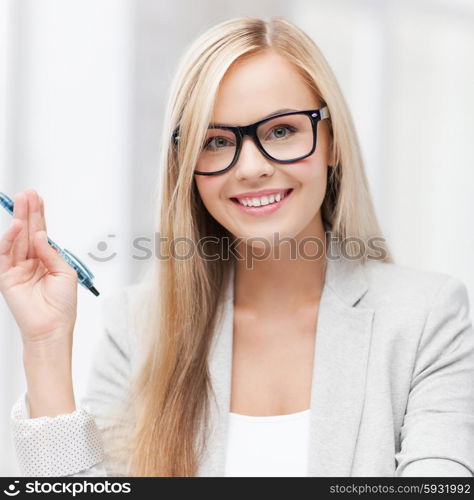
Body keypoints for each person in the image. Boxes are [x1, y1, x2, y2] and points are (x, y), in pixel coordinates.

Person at [1, 16, 474, 478]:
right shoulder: (138, 326)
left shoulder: (428, 317)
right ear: (186, 167)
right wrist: (45, 344)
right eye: (216, 141)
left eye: (282, 131)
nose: (250, 167)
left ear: (332, 144)